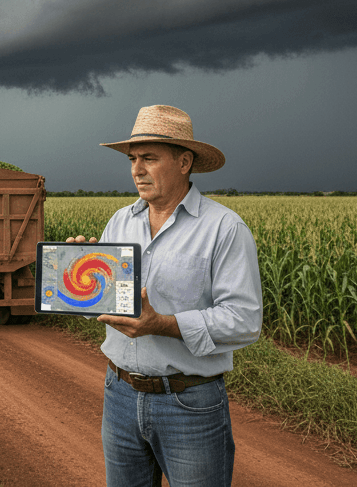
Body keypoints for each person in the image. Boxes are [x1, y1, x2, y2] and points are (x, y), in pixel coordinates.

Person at [66, 105, 262, 487]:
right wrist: (75, 274)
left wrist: (163, 324)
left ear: (184, 161)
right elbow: (102, 306)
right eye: (133, 159)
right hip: (119, 393)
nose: (137, 169)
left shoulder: (224, 228)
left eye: (149, 158)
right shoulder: (120, 221)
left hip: (189, 403)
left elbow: (244, 321)